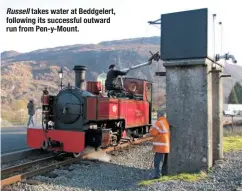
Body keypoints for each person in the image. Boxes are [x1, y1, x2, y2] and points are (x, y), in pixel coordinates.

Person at [146, 112, 171, 179]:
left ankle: (157, 175)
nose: (157, 116)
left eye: (157, 115)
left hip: (160, 146)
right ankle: (164, 174)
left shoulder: (159, 122)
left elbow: (152, 132)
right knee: (164, 162)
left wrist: (150, 130)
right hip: (166, 146)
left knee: (157, 161)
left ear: (159, 115)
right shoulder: (165, 121)